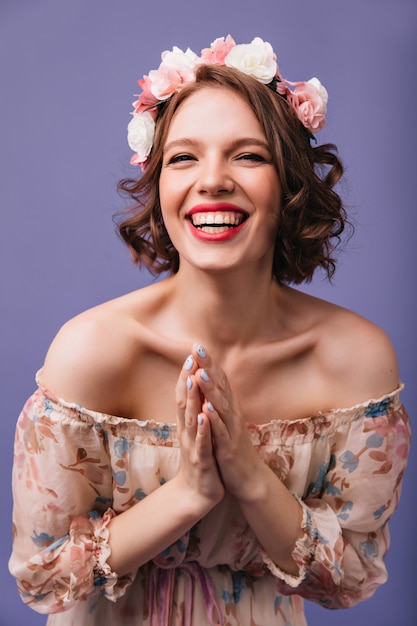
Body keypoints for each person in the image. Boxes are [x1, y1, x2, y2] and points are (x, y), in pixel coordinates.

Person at [9, 35, 410, 626]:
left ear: (291, 184)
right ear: (160, 188)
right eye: (184, 157)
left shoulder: (355, 360)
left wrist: (248, 473)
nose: (213, 180)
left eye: (248, 156)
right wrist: (189, 493)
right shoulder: (91, 351)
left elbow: (350, 579)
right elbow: (42, 579)